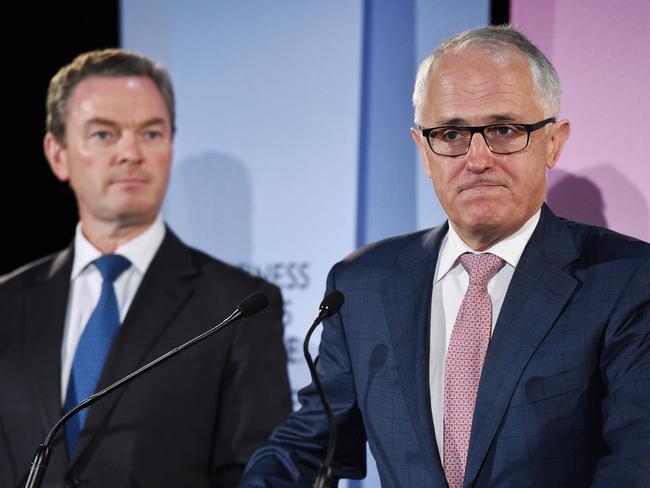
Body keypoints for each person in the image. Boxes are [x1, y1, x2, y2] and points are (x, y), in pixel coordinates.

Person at [240, 25, 650, 487]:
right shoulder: (362, 285)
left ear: (553, 141)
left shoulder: (626, 280)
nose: (477, 159)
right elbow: (312, 445)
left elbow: (637, 461)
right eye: (452, 133)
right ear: (423, 149)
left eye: (503, 130)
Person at [0, 49, 291, 488]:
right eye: (103, 135)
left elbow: (258, 473)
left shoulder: (237, 308)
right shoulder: (7, 302)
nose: (130, 153)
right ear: (57, 154)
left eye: (151, 134)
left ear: (170, 147)